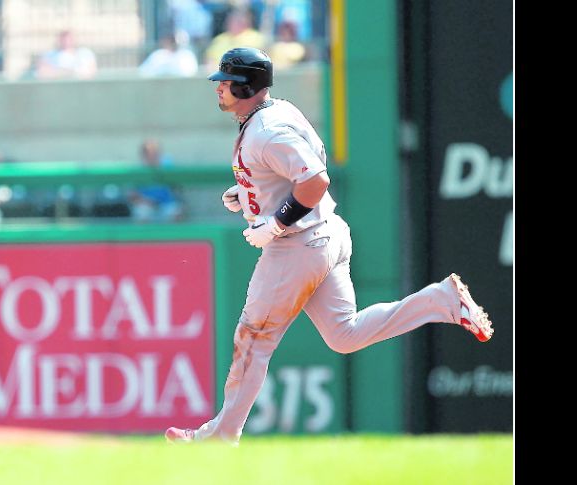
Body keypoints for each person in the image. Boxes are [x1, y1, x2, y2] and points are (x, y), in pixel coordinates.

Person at [165, 47, 494, 445]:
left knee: (254, 338)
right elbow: (295, 171)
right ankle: (439, 301)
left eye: (226, 83)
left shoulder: (268, 130)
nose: (219, 90)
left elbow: (315, 180)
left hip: (298, 242)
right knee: (344, 335)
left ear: (246, 85)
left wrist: (276, 221)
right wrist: (251, 191)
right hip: (327, 233)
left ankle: (221, 436)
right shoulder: (276, 113)